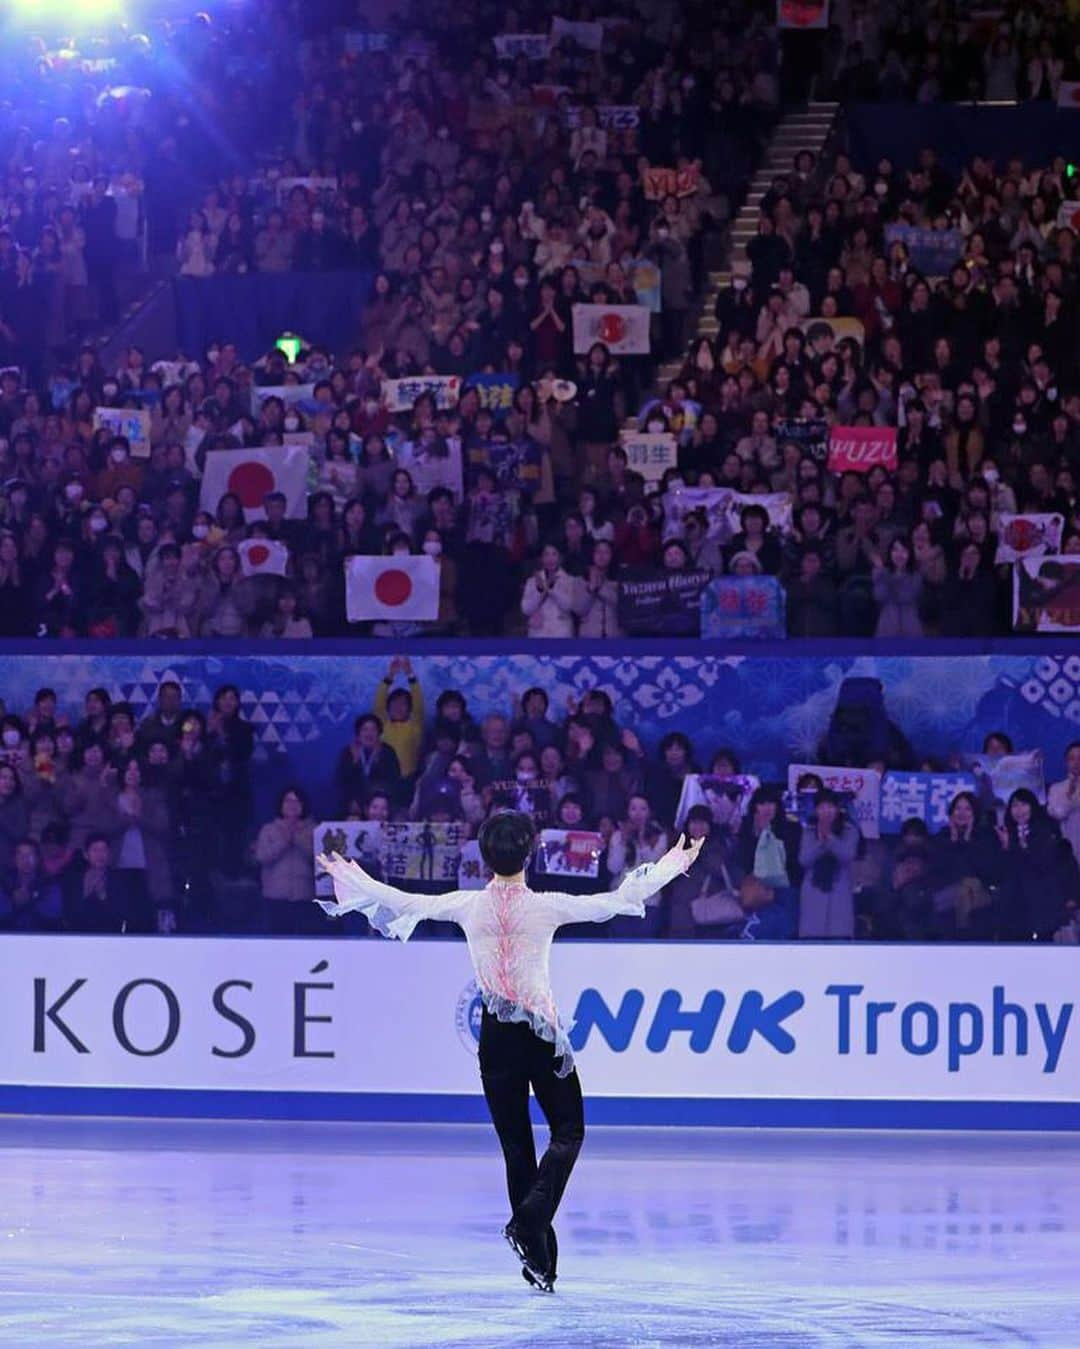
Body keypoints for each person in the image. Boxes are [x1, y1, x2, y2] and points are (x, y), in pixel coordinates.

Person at [316, 810, 703, 1291]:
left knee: (516, 1148)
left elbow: (400, 900)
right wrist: (671, 865)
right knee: (569, 1130)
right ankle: (530, 1228)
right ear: (530, 852)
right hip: (539, 1035)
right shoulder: (546, 907)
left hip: (496, 1037)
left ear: (484, 857)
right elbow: (616, 901)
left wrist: (350, 876)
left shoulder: (466, 905)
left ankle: (540, 1262)